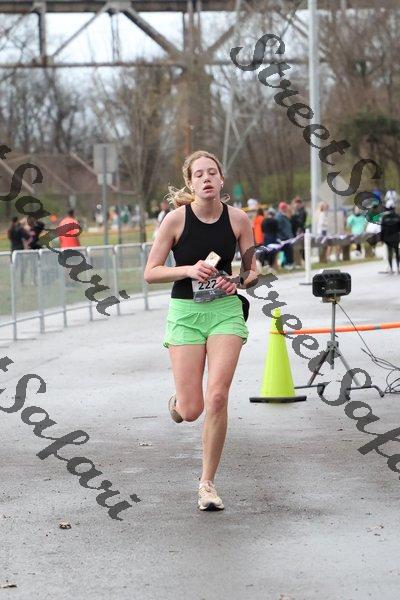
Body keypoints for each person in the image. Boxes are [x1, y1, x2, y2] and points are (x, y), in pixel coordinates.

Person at [144, 150, 256, 511]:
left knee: (218, 397)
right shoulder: (175, 220)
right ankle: (179, 402)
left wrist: (237, 280)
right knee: (193, 409)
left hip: (225, 312)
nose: (206, 178)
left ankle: (207, 484)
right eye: (199, 174)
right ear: (191, 183)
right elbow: (151, 272)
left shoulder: (239, 220)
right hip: (186, 313)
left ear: (221, 179)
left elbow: (253, 272)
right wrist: (188, 270)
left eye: (212, 172)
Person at [380, 199, 400, 274]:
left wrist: (381, 239)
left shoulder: (384, 217)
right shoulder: (397, 216)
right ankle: (398, 267)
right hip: (396, 237)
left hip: (388, 238)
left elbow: (382, 229)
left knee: (389, 253)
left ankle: (391, 268)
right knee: (397, 252)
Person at [276, 201, 294, 269]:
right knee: (288, 251)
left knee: (289, 251)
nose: (286, 209)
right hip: (284, 238)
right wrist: (284, 237)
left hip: (288, 237)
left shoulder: (284, 215)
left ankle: (287, 263)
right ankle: (288, 264)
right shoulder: (279, 216)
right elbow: (279, 228)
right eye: (284, 208)